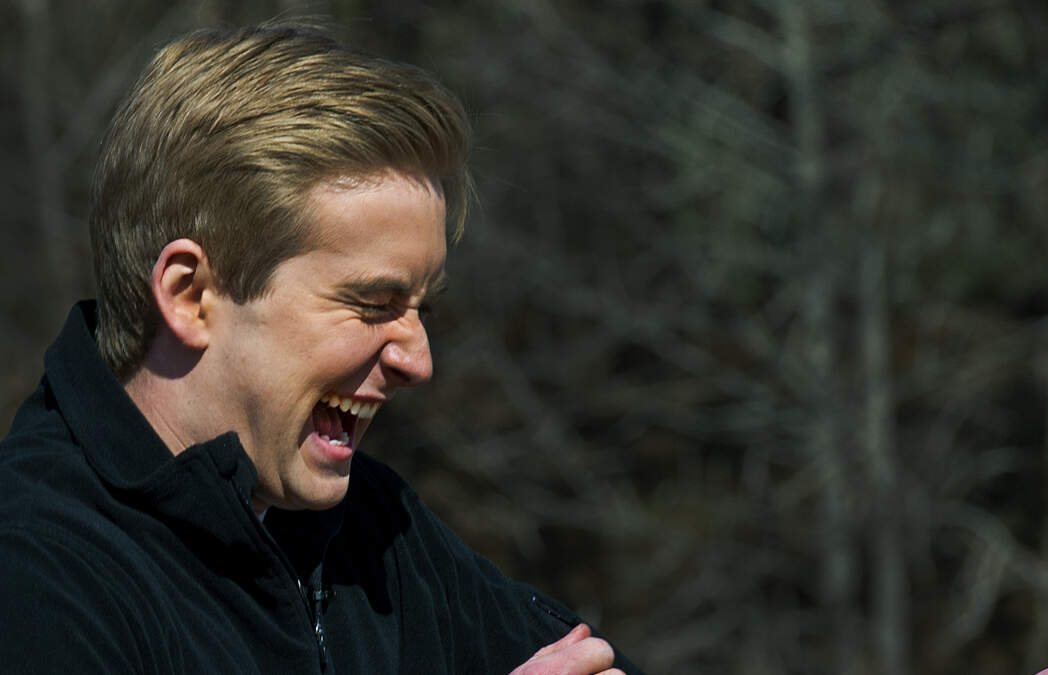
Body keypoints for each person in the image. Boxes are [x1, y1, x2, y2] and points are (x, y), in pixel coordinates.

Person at [0, 22, 638, 675]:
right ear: (190, 295)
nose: (418, 362)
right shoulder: (38, 576)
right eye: (373, 303)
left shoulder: (376, 531)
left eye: (422, 309)